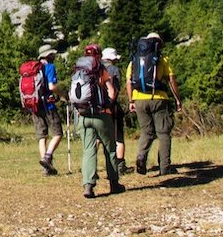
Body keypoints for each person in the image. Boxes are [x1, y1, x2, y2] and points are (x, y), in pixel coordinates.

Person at [125, 31, 183, 176]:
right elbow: (171, 80)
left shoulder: (135, 59)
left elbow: (129, 81)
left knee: (146, 132)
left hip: (139, 99)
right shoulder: (162, 59)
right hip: (159, 99)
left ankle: (141, 157)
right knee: (163, 133)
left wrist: (131, 100)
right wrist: (177, 99)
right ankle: (165, 167)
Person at [74, 44, 124, 198]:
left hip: (83, 115)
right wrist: (108, 104)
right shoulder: (100, 69)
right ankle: (114, 183)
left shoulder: (78, 69)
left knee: (89, 150)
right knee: (109, 149)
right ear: (99, 55)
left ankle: (88, 185)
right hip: (101, 114)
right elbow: (112, 91)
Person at [32, 44, 63, 175]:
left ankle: (46, 167)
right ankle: (47, 157)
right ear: (49, 55)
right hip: (48, 105)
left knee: (41, 135)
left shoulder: (34, 69)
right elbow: (51, 86)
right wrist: (63, 94)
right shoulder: (49, 67)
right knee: (58, 133)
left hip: (34, 105)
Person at [102, 47, 127, 173]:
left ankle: (92, 162)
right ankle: (120, 164)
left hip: (98, 108)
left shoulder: (96, 69)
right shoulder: (114, 70)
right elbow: (115, 89)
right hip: (112, 106)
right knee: (118, 136)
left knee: (98, 137)